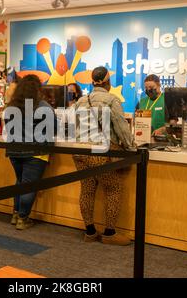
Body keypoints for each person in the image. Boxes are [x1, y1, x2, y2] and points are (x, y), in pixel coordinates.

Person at [72, 66, 134, 246]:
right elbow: (122, 128)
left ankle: (90, 231)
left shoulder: (81, 101)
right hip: (101, 152)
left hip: (79, 151)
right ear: (108, 82)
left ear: (92, 83)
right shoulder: (111, 100)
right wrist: (131, 148)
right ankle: (109, 233)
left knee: (87, 189)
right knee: (113, 188)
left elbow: (75, 127)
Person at [4, 75, 56, 230]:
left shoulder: (11, 106)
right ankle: (22, 218)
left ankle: (16, 214)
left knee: (20, 183)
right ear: (38, 89)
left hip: (14, 150)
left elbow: (8, 128)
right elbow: (53, 129)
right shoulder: (43, 107)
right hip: (35, 151)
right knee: (29, 186)